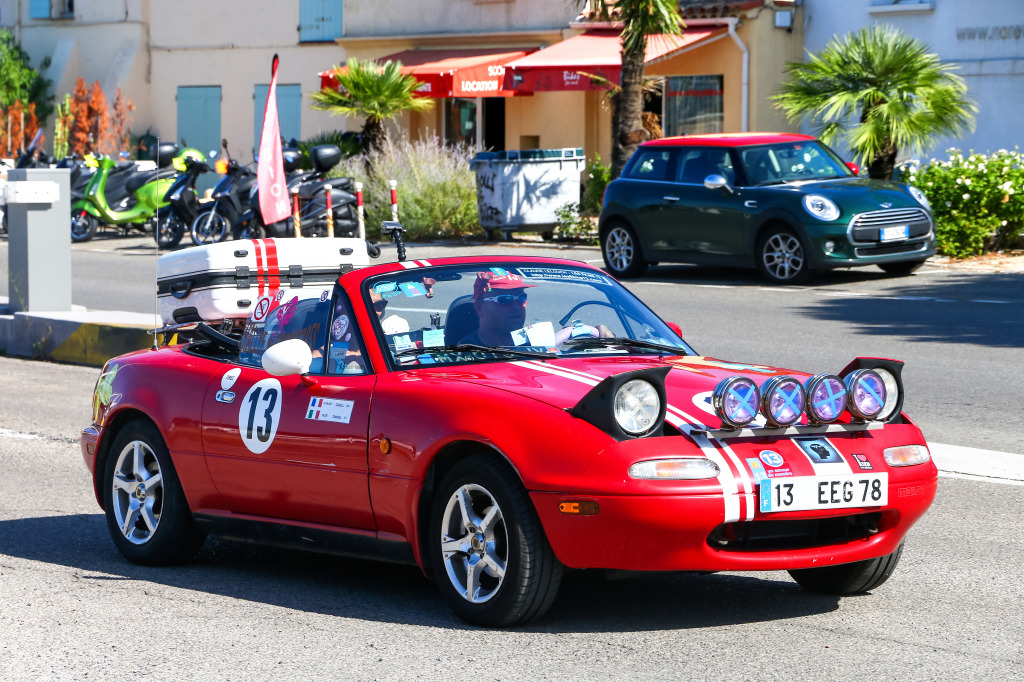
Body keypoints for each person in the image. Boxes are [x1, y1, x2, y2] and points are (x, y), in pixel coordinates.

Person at [459, 272, 536, 346]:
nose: (516, 307)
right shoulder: (463, 354)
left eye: (521, 298)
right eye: (504, 300)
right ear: (479, 307)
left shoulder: (537, 344)